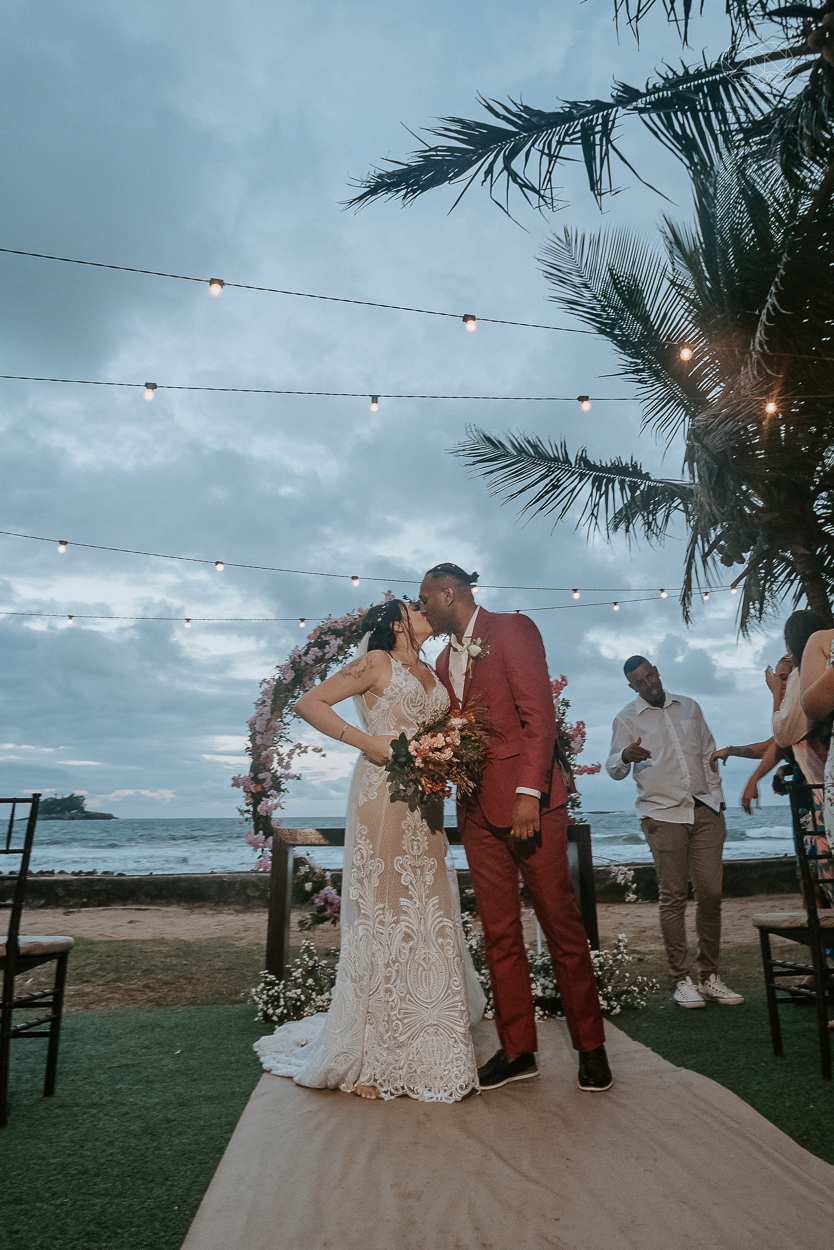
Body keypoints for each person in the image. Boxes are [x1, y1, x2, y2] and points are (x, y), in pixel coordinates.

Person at [253, 598, 484, 1102]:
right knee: (385, 913)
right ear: (398, 623)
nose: (426, 611)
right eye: (416, 607)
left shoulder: (433, 669)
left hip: (426, 800)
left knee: (428, 909)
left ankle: (428, 1033)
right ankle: (374, 1054)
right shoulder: (377, 662)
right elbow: (310, 703)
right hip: (383, 792)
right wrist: (368, 743)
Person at [419, 563, 610, 1092]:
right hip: (476, 812)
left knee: (561, 926)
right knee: (499, 933)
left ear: (449, 594)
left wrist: (530, 794)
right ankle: (518, 1050)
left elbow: (538, 718)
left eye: (426, 598)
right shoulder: (442, 660)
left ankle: (591, 1047)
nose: (423, 607)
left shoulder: (512, 629)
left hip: (531, 807)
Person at [606, 656, 744, 1009]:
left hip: (705, 810)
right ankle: (682, 980)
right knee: (673, 897)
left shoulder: (690, 707)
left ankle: (710, 977)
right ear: (632, 687)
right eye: (640, 682)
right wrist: (625, 755)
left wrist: (717, 799)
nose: (649, 684)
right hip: (662, 813)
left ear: (657, 671)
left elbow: (708, 754)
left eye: (651, 675)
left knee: (711, 894)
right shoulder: (625, 718)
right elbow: (614, 769)